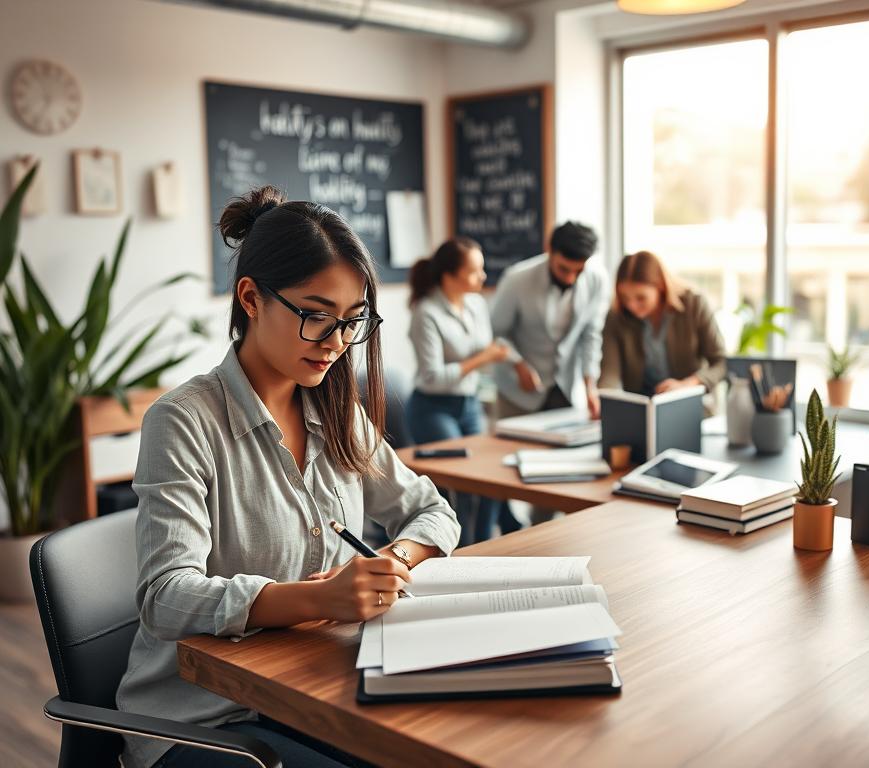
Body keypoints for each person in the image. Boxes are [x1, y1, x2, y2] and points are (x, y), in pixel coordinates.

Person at [116, 186, 460, 768]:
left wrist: (389, 565)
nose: (336, 343)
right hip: (201, 717)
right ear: (251, 299)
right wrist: (316, 598)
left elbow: (432, 511)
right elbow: (166, 598)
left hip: (307, 690)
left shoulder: (333, 409)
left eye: (353, 321)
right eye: (316, 316)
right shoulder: (183, 421)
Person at [405, 237, 510, 545]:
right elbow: (433, 377)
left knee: (489, 479)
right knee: (463, 484)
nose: (483, 276)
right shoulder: (426, 313)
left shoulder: (477, 304)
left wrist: (508, 362)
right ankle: (461, 552)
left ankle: (483, 548)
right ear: (449, 275)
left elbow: (485, 351)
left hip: (469, 403)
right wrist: (482, 359)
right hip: (432, 407)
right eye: (475, 271)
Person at [490, 221, 608, 422]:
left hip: (565, 389)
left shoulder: (598, 280)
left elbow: (590, 335)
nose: (570, 278)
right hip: (518, 393)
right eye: (563, 269)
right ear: (549, 250)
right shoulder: (516, 280)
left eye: (578, 271)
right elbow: (495, 332)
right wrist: (518, 364)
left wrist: (590, 384)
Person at [598, 250, 726, 401]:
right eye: (625, 297)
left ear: (661, 287)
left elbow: (721, 363)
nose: (632, 305)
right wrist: (604, 399)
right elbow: (609, 373)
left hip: (690, 404)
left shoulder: (694, 305)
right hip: (641, 408)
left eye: (641, 298)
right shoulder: (617, 316)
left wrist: (689, 383)